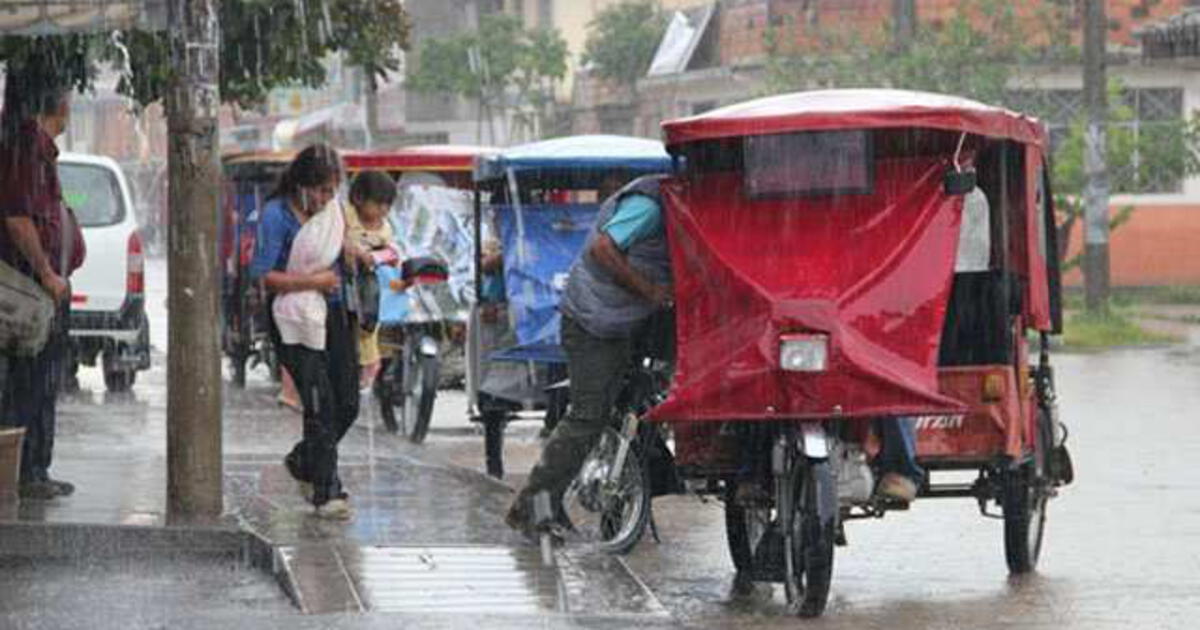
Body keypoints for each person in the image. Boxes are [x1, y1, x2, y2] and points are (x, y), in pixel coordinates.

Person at [505, 173, 671, 537]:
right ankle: (530, 509)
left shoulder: (672, 204)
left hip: (623, 319)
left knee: (620, 409)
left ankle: (558, 501)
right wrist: (650, 291)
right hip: (594, 319)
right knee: (588, 416)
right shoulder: (650, 205)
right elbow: (602, 249)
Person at [248, 144, 359, 520]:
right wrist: (312, 281)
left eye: (333, 191)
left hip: (332, 312)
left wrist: (354, 252)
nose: (327, 199)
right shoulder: (276, 217)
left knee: (347, 402)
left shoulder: (331, 214)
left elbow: (339, 244)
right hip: (292, 318)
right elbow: (263, 276)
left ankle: (303, 460)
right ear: (302, 185)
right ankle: (326, 491)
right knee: (320, 403)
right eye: (322, 190)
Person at [0, 84, 85, 500]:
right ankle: (28, 470)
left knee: (37, 380)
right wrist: (48, 273)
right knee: (33, 381)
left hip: (40, 288)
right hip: (31, 291)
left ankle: (31, 467)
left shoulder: (37, 149)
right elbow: (18, 219)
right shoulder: (28, 147)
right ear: (61, 104)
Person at [344, 170, 403, 390]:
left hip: (367, 281)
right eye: (378, 204)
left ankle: (371, 360)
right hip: (344, 277)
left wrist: (381, 257)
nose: (383, 210)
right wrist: (358, 253)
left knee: (371, 318)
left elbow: (390, 250)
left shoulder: (384, 227)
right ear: (359, 198)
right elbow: (339, 240)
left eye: (387, 205)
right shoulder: (346, 216)